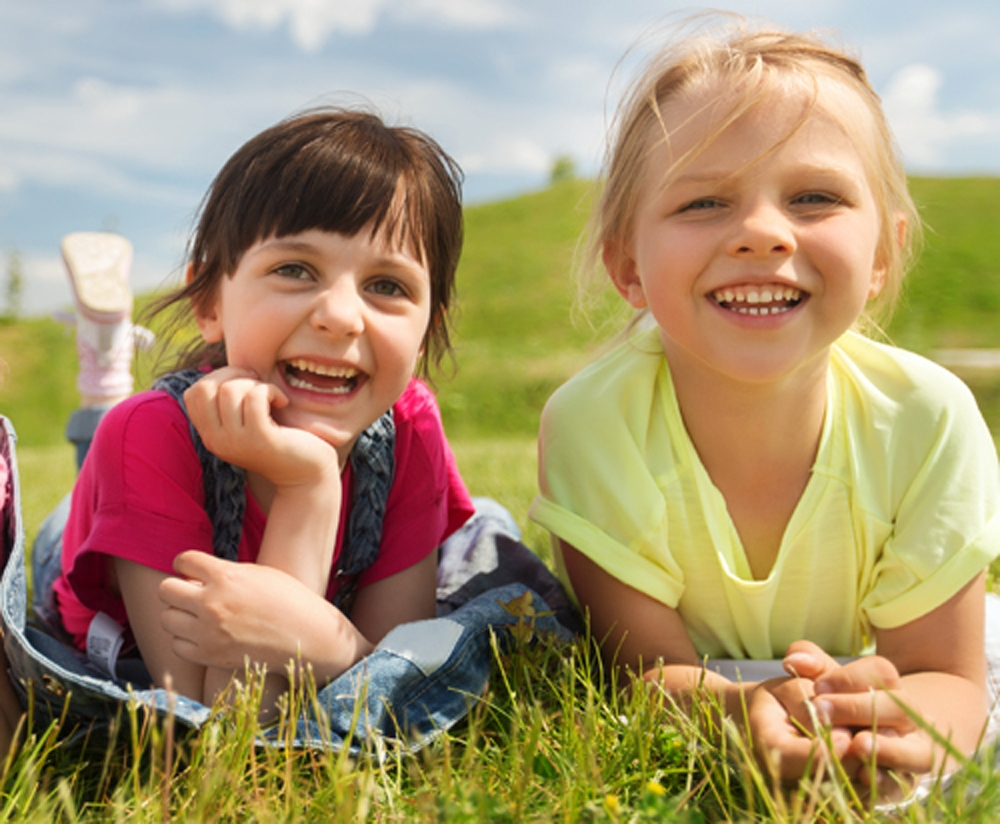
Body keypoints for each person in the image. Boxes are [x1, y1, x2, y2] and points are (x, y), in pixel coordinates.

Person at [529, 17, 1000, 802]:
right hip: (711, 693)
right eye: (705, 202)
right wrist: (739, 714)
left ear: (882, 254)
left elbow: (947, 677)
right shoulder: (592, 425)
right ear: (627, 265)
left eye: (814, 197)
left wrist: (889, 724)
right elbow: (641, 673)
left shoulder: (928, 419)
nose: (760, 234)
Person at [49, 108, 476, 715]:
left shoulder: (408, 423)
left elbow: (393, 657)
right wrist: (309, 486)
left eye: (387, 286)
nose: (341, 316)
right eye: (295, 270)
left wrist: (320, 640)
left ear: (426, 330)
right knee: (105, 445)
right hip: (109, 523)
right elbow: (222, 721)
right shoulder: (149, 436)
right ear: (209, 303)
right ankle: (105, 368)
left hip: (148, 491)